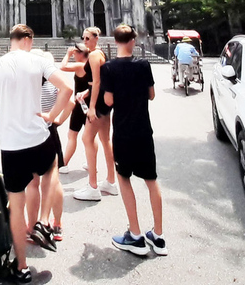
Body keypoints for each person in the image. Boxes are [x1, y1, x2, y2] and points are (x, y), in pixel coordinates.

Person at [0, 25, 73, 283]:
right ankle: (43, 220)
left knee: (16, 206)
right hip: (39, 137)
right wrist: (52, 117)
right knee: (51, 167)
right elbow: (66, 89)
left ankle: (22, 267)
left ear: (11, 40)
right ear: (28, 40)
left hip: (11, 145)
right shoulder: (37, 60)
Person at [102, 24, 167, 257]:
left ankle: (136, 236)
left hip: (123, 133)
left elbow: (108, 101)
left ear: (116, 41)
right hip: (143, 131)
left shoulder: (108, 68)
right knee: (151, 180)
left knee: (124, 179)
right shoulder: (144, 64)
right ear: (133, 41)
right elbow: (151, 94)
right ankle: (158, 237)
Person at [26, 50, 67, 245]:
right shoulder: (54, 82)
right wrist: (56, 118)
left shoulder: (26, 83)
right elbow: (71, 98)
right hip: (49, 130)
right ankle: (56, 224)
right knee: (53, 180)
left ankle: (31, 226)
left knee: (32, 183)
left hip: (29, 133)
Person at [73, 27, 118, 201]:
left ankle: (92, 186)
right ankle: (111, 182)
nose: (84, 41)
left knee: (87, 139)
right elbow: (94, 83)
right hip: (103, 102)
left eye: (87, 38)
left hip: (98, 104)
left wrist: (91, 107)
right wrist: (85, 92)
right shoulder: (100, 53)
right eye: (83, 38)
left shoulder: (92, 56)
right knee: (106, 140)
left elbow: (97, 82)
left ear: (95, 38)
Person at [57, 43, 91, 174]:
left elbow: (63, 66)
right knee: (90, 136)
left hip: (80, 104)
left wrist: (67, 54)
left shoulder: (80, 65)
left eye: (76, 53)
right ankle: (90, 161)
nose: (74, 55)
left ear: (81, 54)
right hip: (89, 104)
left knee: (72, 134)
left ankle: (64, 163)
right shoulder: (91, 64)